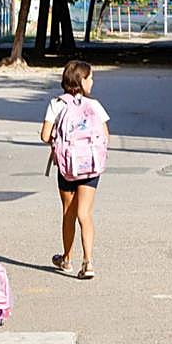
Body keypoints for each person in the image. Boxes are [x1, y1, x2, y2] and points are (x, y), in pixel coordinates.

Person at [40, 59, 109, 280]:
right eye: (90, 78)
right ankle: (88, 262)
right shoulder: (94, 105)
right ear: (81, 81)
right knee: (84, 213)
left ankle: (67, 259)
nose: (93, 82)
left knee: (68, 212)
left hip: (67, 167)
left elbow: (44, 135)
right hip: (91, 167)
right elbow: (105, 136)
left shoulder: (56, 104)